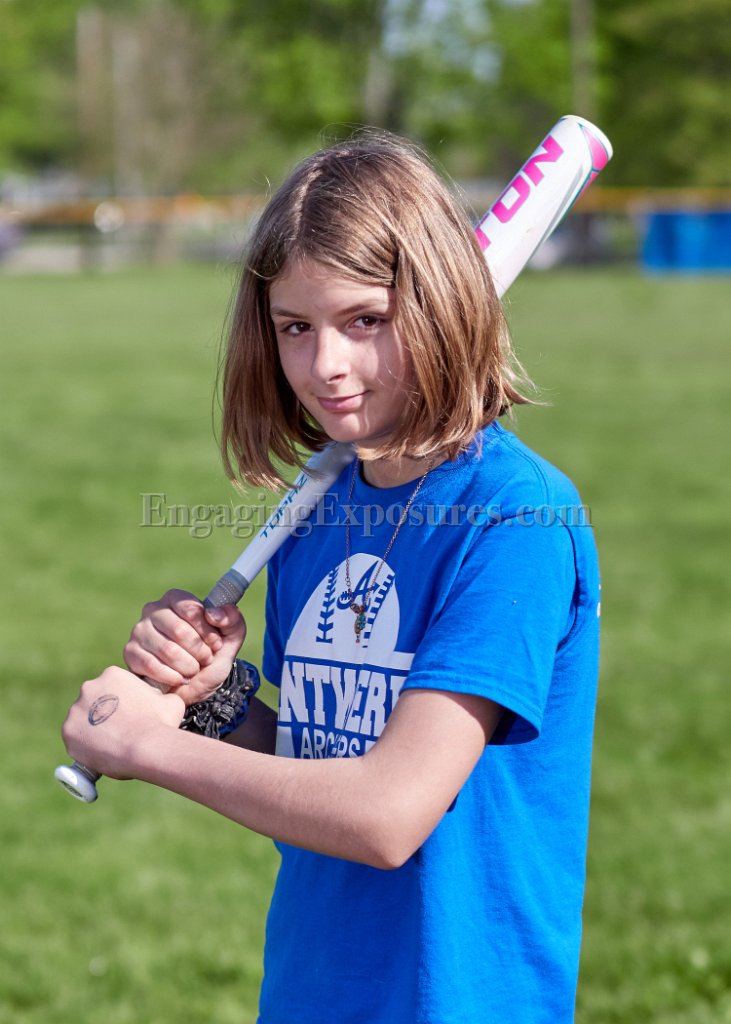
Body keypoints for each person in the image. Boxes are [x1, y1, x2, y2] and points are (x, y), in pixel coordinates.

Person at [62, 132, 600, 1024]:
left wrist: (148, 748)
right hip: (315, 986)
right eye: (295, 327)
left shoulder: (513, 519)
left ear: (440, 305)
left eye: (365, 320)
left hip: (451, 998)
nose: (326, 367)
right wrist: (214, 698)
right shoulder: (320, 508)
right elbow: (320, 760)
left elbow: (387, 814)